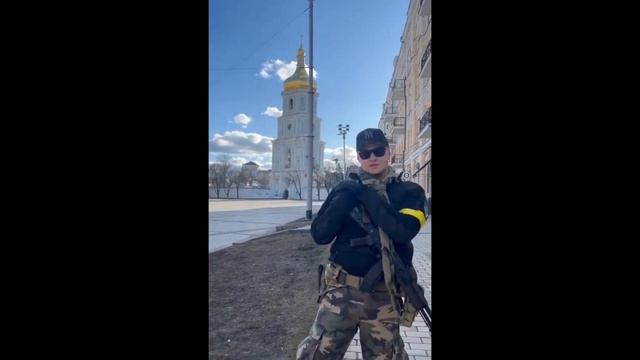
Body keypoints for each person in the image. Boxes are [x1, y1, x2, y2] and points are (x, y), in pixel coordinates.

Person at [296, 128, 427, 360]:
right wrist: (346, 195)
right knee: (316, 355)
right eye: (365, 154)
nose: (372, 157)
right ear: (358, 158)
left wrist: (365, 194)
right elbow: (320, 235)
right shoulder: (345, 190)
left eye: (378, 150)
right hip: (340, 294)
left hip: (384, 297)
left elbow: (402, 232)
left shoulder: (410, 192)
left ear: (389, 152)